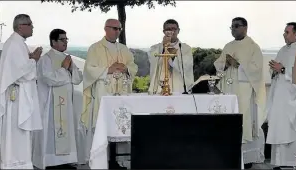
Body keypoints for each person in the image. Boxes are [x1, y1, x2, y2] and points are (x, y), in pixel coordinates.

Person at [80, 19, 138, 167]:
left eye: (120, 29)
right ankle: (103, 159)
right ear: (105, 29)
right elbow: (89, 69)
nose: (118, 31)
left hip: (122, 92)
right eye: (114, 28)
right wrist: (108, 70)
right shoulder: (95, 48)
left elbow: (133, 66)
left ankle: (118, 160)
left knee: (120, 124)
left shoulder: (124, 49)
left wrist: (125, 68)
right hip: (103, 92)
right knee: (104, 125)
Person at [214, 17, 267, 168]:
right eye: (231, 27)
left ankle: (246, 159)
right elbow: (219, 64)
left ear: (245, 27)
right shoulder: (228, 45)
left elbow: (257, 70)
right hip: (228, 89)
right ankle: (227, 156)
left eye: (236, 26)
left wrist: (238, 65)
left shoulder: (253, 47)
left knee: (243, 122)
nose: (233, 29)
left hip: (244, 91)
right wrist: (224, 64)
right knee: (228, 119)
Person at [32, 29, 83, 169]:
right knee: (51, 131)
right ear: (53, 41)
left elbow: (78, 78)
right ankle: (50, 161)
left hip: (65, 103)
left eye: (67, 39)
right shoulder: (46, 59)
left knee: (66, 130)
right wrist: (64, 69)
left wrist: (71, 69)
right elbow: (49, 79)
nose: (65, 42)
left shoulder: (67, 58)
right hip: (50, 105)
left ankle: (65, 160)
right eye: (62, 39)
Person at [0, 14, 43, 169]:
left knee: (20, 134)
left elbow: (19, 67)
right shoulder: (14, 44)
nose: (32, 27)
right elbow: (21, 73)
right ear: (20, 26)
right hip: (16, 98)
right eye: (30, 24)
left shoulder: (18, 43)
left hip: (18, 96)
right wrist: (34, 60)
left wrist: (30, 58)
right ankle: (15, 164)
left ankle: (21, 163)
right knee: (17, 132)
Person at [266, 22, 296, 169]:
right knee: (279, 127)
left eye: (287, 32)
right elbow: (277, 69)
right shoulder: (283, 50)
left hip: (293, 98)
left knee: (293, 130)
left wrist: (282, 69)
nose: (284, 34)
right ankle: (279, 162)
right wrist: (275, 70)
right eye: (284, 32)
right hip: (280, 96)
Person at [148, 19, 194, 94]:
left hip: (179, 87)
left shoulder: (186, 48)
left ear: (178, 31)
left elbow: (186, 67)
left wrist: (170, 52)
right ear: (163, 32)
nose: (171, 32)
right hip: (160, 88)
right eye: (168, 29)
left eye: (174, 29)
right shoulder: (155, 48)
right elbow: (154, 63)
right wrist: (164, 47)